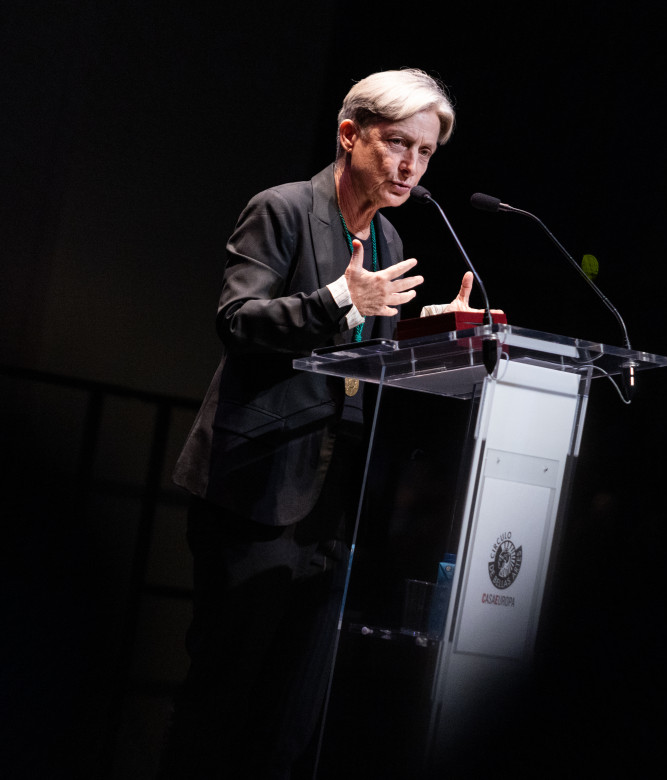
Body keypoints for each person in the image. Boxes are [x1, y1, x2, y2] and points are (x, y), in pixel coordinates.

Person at [159, 68, 484, 779]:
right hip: (257, 492)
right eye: (399, 144)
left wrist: (439, 334)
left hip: (337, 505)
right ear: (349, 134)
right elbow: (238, 323)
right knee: (223, 700)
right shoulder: (280, 210)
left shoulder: (393, 238)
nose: (411, 166)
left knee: (290, 720)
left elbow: (372, 352)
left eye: (425, 153)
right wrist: (341, 295)